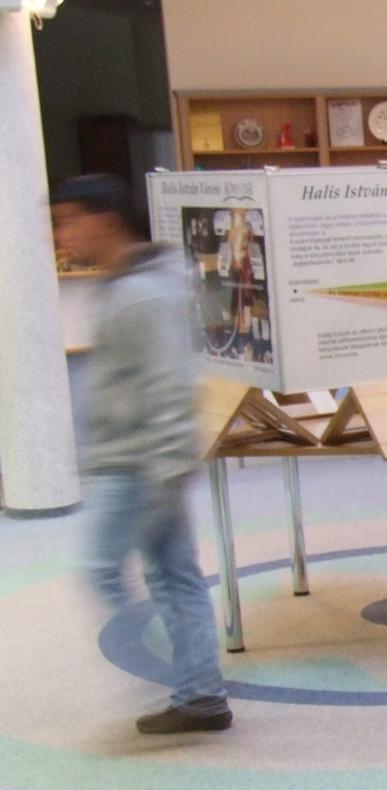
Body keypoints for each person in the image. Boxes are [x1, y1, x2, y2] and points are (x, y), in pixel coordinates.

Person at [52, 174, 232, 735]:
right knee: (173, 575)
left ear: (104, 220)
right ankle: (200, 694)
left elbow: (170, 386)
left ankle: (161, 674)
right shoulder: (128, 285)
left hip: (141, 464)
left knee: (106, 572)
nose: (62, 235)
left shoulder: (142, 293)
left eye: (68, 220)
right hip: (142, 459)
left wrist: (166, 472)